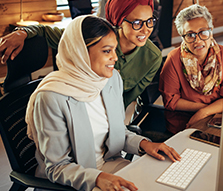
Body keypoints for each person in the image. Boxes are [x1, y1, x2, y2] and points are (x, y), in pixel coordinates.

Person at [25, 15, 180, 191]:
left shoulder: (111, 79)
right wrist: (97, 178)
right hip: (75, 180)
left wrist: (145, 144)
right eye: (107, 51)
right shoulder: (51, 97)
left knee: (165, 181)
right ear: (80, 52)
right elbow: (56, 167)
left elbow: (117, 131)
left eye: (115, 50)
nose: (115, 57)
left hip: (110, 166)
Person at [0, 0, 160, 108]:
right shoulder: (92, 36)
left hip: (105, 114)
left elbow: (124, 101)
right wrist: (22, 32)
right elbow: (45, 31)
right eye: (137, 23)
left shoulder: (153, 58)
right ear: (119, 21)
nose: (146, 30)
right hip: (72, 106)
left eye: (150, 21)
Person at [159, 4, 223, 135]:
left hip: (215, 118)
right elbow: (171, 101)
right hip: (181, 123)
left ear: (211, 31)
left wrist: (204, 112)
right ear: (183, 37)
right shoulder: (174, 58)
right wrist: (206, 109)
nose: (197, 40)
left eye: (203, 32)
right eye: (190, 35)